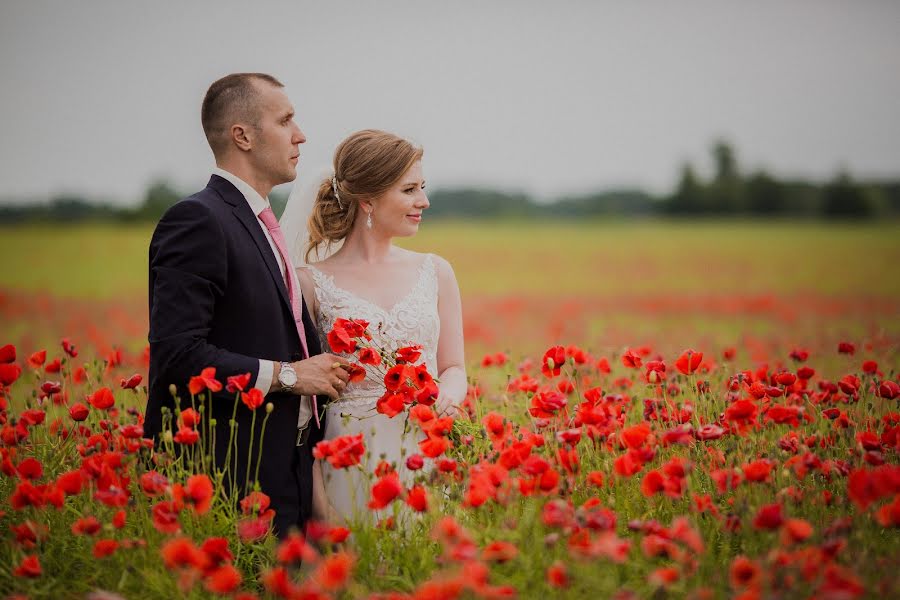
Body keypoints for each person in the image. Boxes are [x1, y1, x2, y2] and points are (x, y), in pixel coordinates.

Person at [145, 73, 350, 536]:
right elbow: (178, 355)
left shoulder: (261, 223)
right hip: (228, 474)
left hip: (289, 469)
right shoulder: (198, 219)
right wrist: (293, 375)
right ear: (243, 135)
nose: (301, 134)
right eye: (286, 120)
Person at [283, 129, 467, 522]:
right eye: (410, 190)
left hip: (425, 453)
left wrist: (447, 397)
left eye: (423, 187)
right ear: (367, 199)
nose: (424, 201)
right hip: (346, 463)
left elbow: (454, 367)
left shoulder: (436, 271)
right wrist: (322, 508)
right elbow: (300, 411)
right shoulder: (308, 283)